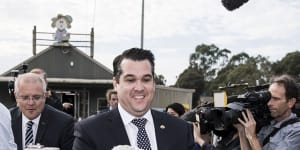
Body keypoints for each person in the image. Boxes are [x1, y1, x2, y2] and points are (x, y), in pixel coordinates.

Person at [73, 48, 194, 150]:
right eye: (130, 80)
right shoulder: (89, 131)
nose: (139, 88)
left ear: (153, 83)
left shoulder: (181, 129)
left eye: (146, 79)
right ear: (116, 84)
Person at [10, 73, 75, 150]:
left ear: (45, 96)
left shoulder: (64, 123)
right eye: (25, 97)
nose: (31, 103)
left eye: (36, 97)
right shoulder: (5, 120)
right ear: (16, 96)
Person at [237, 74, 300, 150]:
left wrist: (252, 137)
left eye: (276, 99)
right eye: (268, 97)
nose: (269, 103)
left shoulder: (296, 131)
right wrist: (242, 131)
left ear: (291, 102)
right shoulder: (268, 126)